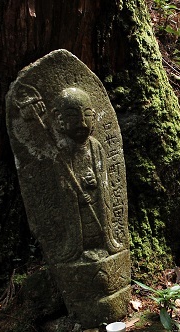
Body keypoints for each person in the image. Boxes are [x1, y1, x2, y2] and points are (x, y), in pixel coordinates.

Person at [50, 87, 122, 261]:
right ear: (60, 120)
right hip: (78, 215)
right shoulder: (62, 154)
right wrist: (76, 196)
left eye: (87, 115)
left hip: (97, 210)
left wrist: (96, 183)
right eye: (73, 116)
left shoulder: (96, 147)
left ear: (94, 117)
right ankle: (78, 251)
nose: (82, 123)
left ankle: (104, 243)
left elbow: (105, 180)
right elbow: (62, 186)